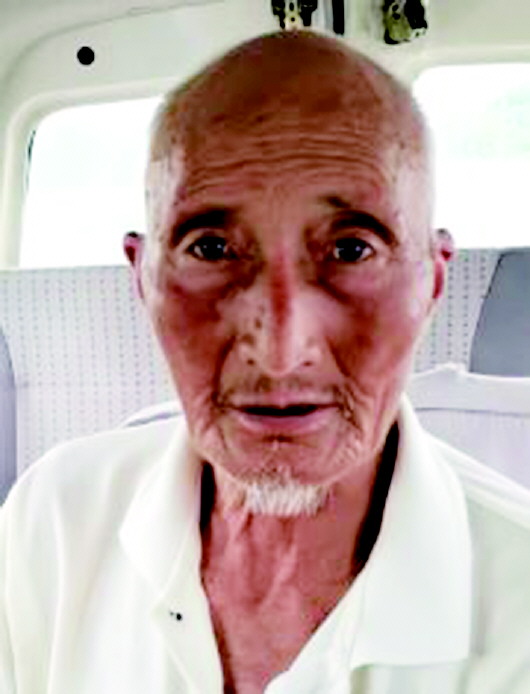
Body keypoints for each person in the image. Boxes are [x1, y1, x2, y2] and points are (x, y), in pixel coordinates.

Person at [1, 30, 530, 694]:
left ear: (432, 281)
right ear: (142, 277)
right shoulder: (51, 524)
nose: (280, 353)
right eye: (212, 248)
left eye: (351, 250)